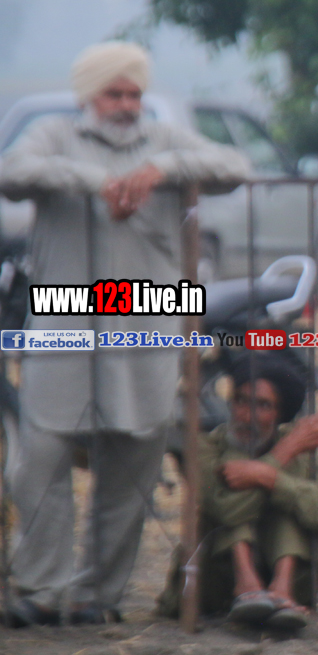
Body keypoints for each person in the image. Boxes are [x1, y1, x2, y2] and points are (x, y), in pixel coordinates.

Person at [0, 41, 251, 628]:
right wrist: (96, 180)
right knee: (38, 459)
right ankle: (41, 589)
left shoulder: (163, 139)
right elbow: (10, 172)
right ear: (89, 96)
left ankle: (97, 595)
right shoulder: (55, 136)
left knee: (133, 462)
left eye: (134, 93)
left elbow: (235, 167)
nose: (126, 104)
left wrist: (162, 170)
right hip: (63, 315)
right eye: (114, 93)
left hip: (151, 317)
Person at [156, 352, 318, 629]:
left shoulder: (296, 447)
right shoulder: (207, 446)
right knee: (235, 505)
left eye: (263, 405)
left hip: (295, 583)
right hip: (214, 582)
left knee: (287, 501)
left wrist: (271, 477)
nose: (246, 416)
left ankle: (281, 589)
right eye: (240, 401)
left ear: (280, 413)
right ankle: (246, 584)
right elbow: (226, 509)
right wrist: (281, 455)